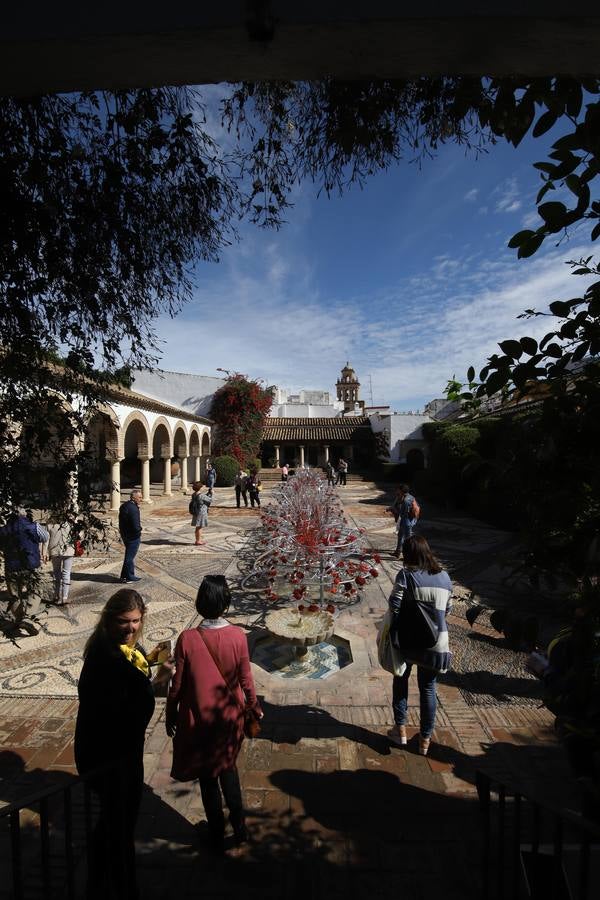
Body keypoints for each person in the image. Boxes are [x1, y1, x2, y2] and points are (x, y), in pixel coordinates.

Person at [74, 589, 173, 899]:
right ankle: (121, 884)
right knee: (121, 823)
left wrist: (151, 661)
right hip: (109, 756)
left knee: (113, 819)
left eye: (136, 621)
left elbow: (134, 672)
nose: (131, 628)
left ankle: (100, 876)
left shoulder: (122, 647)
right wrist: (156, 685)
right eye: (123, 622)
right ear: (108, 620)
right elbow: (129, 714)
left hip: (115, 752)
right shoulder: (107, 658)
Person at [166, 576, 262, 852]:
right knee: (229, 770)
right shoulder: (237, 636)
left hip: (199, 720)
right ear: (226, 603)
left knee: (208, 778)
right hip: (229, 719)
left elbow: (178, 685)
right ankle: (240, 828)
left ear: (200, 602)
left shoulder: (187, 639)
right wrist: (254, 708)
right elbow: (246, 680)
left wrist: (171, 713)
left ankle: (217, 831)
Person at [386, 535, 452, 756]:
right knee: (428, 688)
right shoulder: (445, 577)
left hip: (408, 639)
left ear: (409, 554)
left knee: (401, 678)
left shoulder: (406, 575)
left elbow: (394, 606)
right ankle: (425, 740)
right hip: (436, 642)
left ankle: (400, 729)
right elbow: (447, 610)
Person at [0, 508, 48, 628]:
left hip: (11, 566)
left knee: (15, 595)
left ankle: (19, 619)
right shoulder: (33, 526)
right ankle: (28, 616)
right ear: (25, 514)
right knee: (36, 590)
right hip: (30, 565)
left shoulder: (4, 530)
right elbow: (45, 536)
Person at [47, 515, 77, 605]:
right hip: (68, 550)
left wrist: (44, 552)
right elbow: (79, 535)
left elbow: (46, 539)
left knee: (56, 573)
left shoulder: (50, 524)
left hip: (54, 551)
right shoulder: (70, 524)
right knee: (66, 573)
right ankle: (64, 597)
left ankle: (56, 596)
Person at [118, 489, 143, 583]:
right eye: (139, 497)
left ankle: (124, 576)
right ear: (134, 497)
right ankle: (129, 577)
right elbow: (135, 524)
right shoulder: (133, 509)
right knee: (129, 557)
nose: (141, 499)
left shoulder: (125, 505)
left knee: (128, 556)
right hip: (133, 536)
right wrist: (139, 531)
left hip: (125, 534)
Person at [393, 483, 419, 559]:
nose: (397, 490)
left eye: (398, 489)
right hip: (409, 520)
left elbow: (402, 512)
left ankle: (408, 556)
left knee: (408, 540)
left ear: (401, 490)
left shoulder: (405, 500)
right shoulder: (411, 497)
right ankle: (398, 552)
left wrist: (393, 510)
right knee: (400, 536)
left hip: (406, 521)